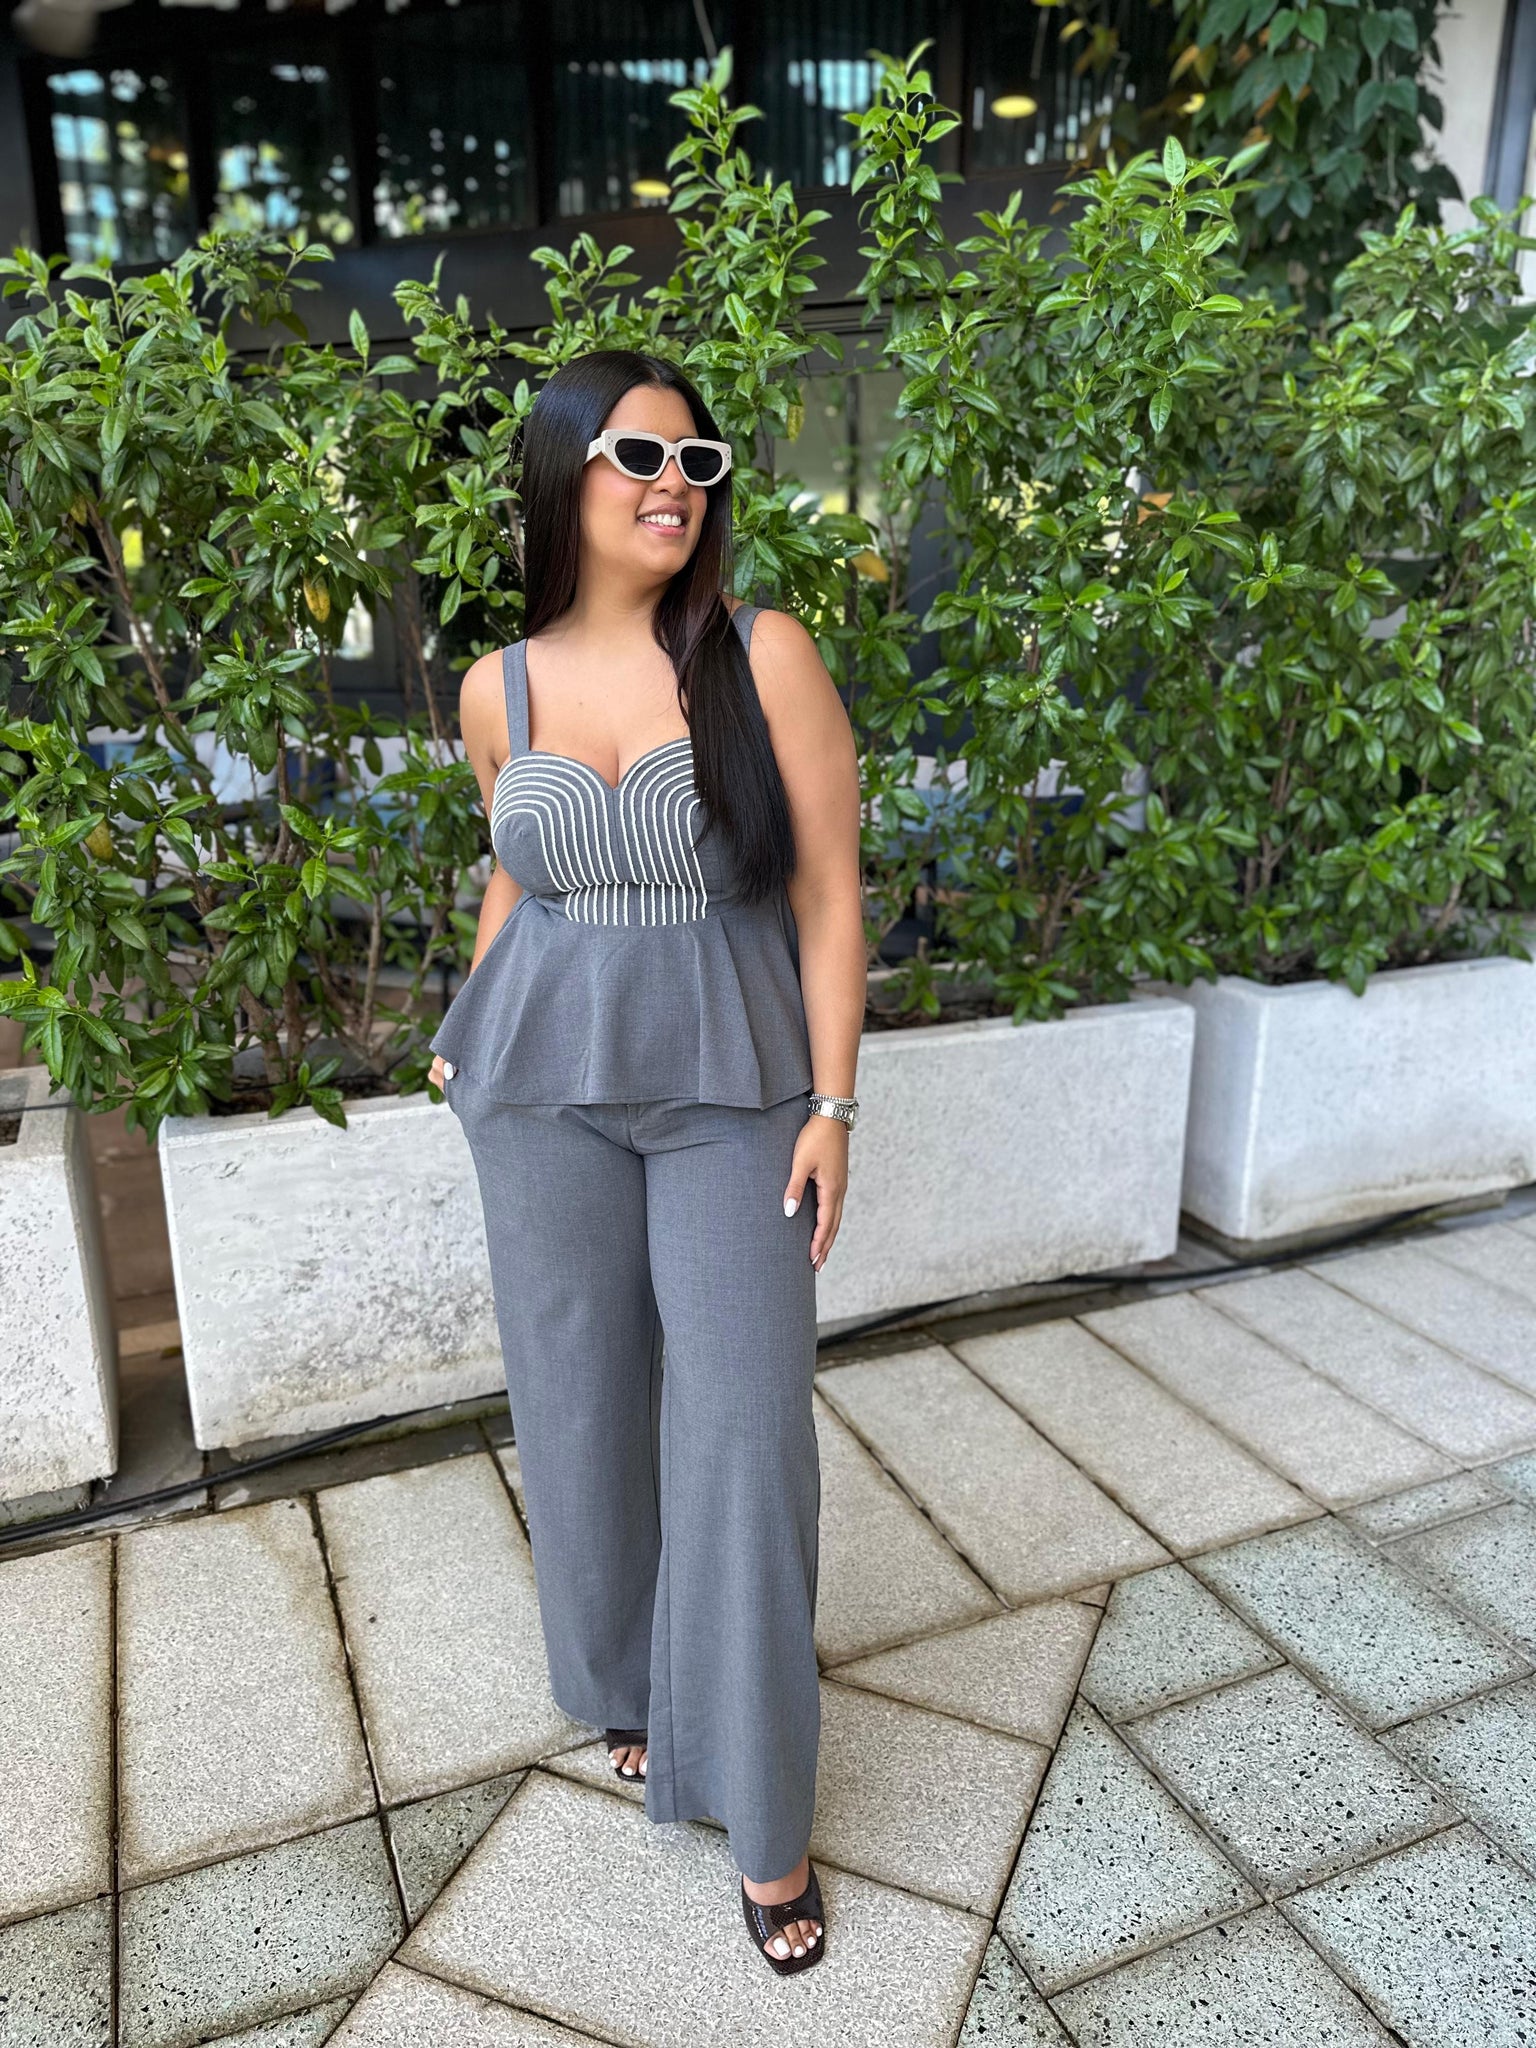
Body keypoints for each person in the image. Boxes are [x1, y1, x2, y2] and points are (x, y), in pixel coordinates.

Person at [427, 348, 865, 1974]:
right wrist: (466, 1027)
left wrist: (834, 1106)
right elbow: (517, 871)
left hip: (735, 1086)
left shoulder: (762, 653)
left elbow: (828, 891)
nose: (675, 484)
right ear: (566, 473)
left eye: (699, 461)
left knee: (747, 1431)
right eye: (638, 455)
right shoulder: (498, 689)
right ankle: (624, 1686)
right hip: (539, 1084)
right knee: (579, 1397)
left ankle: (763, 1813)